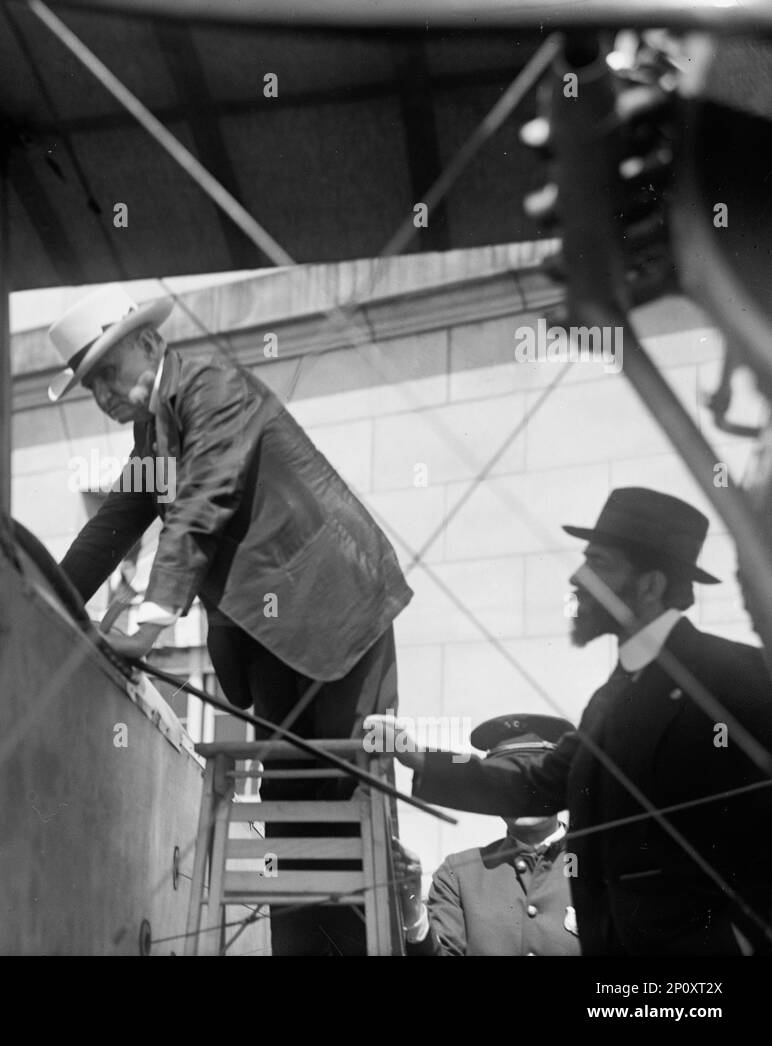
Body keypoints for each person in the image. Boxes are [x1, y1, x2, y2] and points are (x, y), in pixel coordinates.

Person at [47, 284, 413, 954]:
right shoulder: (152, 427)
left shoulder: (216, 388)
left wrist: (143, 626)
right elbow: (120, 519)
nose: (101, 391)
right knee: (289, 805)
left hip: (339, 617)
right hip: (272, 641)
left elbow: (200, 508)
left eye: (107, 370)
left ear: (151, 344)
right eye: (89, 382)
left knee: (346, 796)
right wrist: (55, 597)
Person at [369, 487, 772, 955]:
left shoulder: (740, 676)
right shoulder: (613, 695)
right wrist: (416, 754)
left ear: (650, 586)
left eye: (600, 563)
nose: (578, 578)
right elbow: (539, 782)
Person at [395, 714, 579, 956]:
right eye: (510, 783)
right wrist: (414, 912)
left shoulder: (602, 866)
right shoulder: (458, 874)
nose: (523, 795)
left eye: (533, 781)